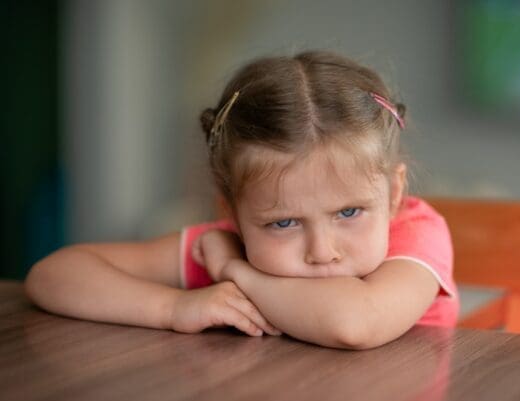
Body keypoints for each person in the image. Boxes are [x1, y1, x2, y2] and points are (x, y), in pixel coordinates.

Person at [25, 50, 459, 350]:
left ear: (395, 193)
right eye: (284, 223)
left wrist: (235, 272)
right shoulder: (232, 239)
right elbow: (53, 275)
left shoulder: (418, 237)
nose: (322, 252)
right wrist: (173, 307)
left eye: (348, 212)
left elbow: (355, 325)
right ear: (233, 212)